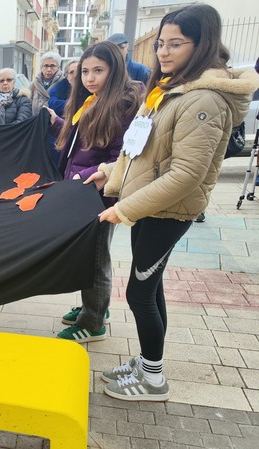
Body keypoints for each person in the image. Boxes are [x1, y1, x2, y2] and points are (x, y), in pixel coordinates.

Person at [87, 5, 259, 401]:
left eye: (175, 44)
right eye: (161, 44)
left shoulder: (205, 100)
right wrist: (111, 173)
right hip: (150, 207)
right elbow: (145, 153)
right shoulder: (172, 88)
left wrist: (124, 208)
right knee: (151, 288)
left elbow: (185, 175)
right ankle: (150, 363)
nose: (163, 52)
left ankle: (154, 380)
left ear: (202, 45)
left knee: (138, 294)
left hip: (167, 211)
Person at [45, 41, 141, 343]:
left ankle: (94, 322)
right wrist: (56, 123)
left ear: (115, 70)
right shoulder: (92, 101)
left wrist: (83, 177)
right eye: (85, 71)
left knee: (96, 258)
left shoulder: (122, 107)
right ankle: (95, 306)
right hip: (84, 190)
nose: (89, 77)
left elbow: (120, 157)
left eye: (98, 70)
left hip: (99, 195)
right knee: (90, 255)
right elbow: (81, 144)